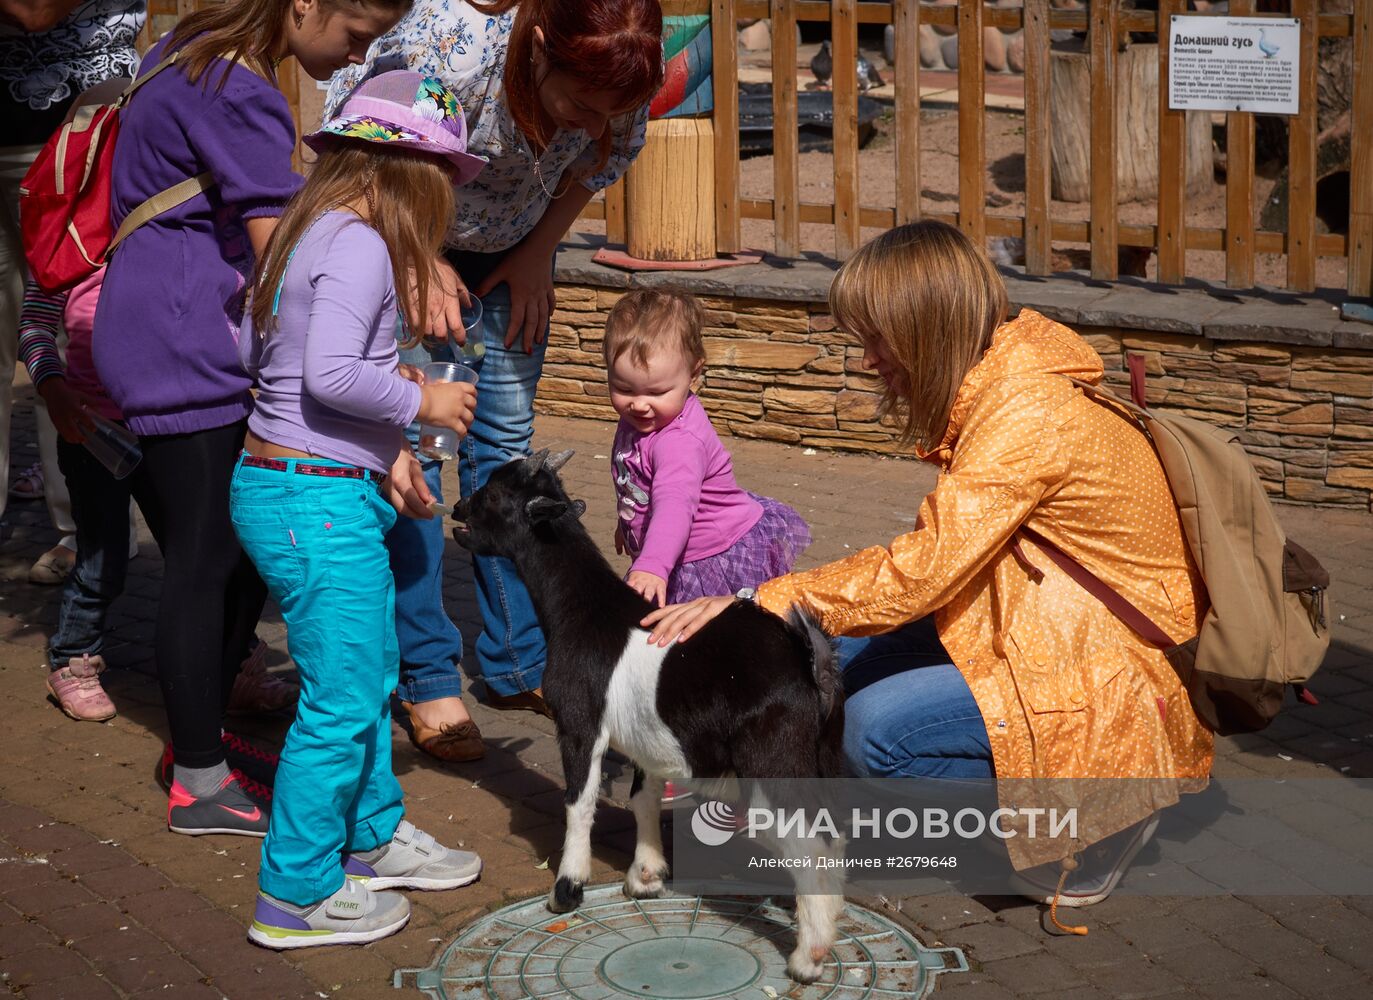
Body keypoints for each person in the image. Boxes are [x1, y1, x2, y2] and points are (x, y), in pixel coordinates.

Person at [643, 221, 1215, 908]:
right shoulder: (1003, 381)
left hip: (1105, 665)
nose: (866, 360)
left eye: (876, 338)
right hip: (1031, 618)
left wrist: (757, 599)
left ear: (924, 327)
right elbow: (931, 560)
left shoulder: (1025, 413)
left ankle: (1098, 811)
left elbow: (921, 571)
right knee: (819, 661)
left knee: (871, 732)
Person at [92, 0, 414, 837]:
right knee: (205, 558)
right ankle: (199, 779)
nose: (354, 57)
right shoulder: (241, 89)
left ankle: (206, 741)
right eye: (356, 34)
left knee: (223, 554)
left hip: (153, 321)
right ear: (305, 3)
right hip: (185, 334)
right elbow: (284, 261)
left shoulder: (185, 48)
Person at [326, 0, 664, 752]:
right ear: (538, 45)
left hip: (508, 253)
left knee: (505, 446)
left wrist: (540, 250)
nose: (588, 122)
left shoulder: (619, 84)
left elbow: (593, 163)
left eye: (608, 113)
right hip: (401, 239)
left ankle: (519, 660)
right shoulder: (452, 48)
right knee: (417, 458)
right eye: (578, 102)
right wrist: (414, 261)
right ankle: (428, 676)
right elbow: (364, 151)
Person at [233, 70, 484, 949]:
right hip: (312, 502)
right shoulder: (362, 245)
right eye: (443, 175)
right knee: (340, 702)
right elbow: (330, 376)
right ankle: (295, 894)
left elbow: (280, 364)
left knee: (368, 678)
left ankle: (371, 837)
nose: (449, 195)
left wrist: (391, 453)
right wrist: (422, 402)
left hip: (317, 487)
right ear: (396, 171)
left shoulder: (314, 232)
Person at [0, 0, 145, 585]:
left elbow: (36, 10)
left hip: (73, 133)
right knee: (37, 334)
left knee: (66, 338)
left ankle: (84, 533)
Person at [604, 290, 811, 608]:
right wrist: (630, 522)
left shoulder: (679, 442)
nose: (639, 404)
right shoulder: (642, 419)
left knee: (695, 640)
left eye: (657, 391)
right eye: (623, 388)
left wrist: (652, 565)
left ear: (694, 374)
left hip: (706, 558)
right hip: (669, 545)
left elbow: (674, 504)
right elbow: (636, 480)